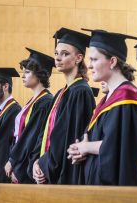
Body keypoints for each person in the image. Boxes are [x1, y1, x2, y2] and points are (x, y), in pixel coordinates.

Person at [67, 29, 137, 185]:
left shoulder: (128, 100)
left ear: (112, 61)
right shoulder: (108, 99)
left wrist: (87, 147)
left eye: (94, 59)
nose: (89, 66)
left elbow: (124, 148)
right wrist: (80, 149)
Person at [30, 28, 96, 185]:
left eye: (65, 54)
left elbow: (67, 137)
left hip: (65, 170)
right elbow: (45, 132)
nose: (58, 58)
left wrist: (45, 164)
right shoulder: (62, 92)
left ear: (78, 58)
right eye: (56, 53)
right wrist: (36, 162)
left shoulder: (80, 92)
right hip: (48, 166)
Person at [4, 48, 54, 184]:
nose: (23, 76)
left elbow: (30, 137)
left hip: (26, 165)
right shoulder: (33, 100)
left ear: (39, 75)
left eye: (27, 72)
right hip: (19, 162)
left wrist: (14, 162)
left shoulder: (46, 101)